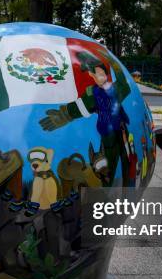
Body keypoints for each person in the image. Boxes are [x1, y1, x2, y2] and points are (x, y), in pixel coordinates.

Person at [39, 52, 130, 187]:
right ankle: (105, 195)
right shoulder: (92, 95)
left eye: (103, 74)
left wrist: (113, 62)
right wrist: (64, 115)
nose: (102, 78)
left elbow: (123, 83)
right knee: (107, 169)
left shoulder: (115, 89)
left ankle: (127, 191)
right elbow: (78, 108)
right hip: (108, 137)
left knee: (127, 164)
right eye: (98, 75)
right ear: (91, 76)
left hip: (123, 134)